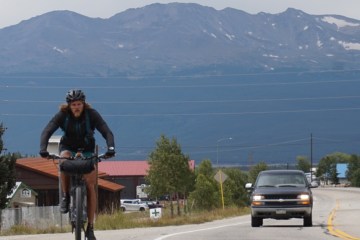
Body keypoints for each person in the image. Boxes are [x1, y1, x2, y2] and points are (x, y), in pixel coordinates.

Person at [39, 89, 115, 240]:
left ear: (84, 104)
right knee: (63, 160)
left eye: (79, 104)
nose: (76, 107)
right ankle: (66, 196)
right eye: (73, 104)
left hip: (87, 150)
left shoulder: (92, 114)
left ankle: (91, 227)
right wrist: (43, 148)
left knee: (91, 185)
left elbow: (106, 131)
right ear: (69, 105)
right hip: (68, 148)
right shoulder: (62, 115)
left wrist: (111, 147)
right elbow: (47, 131)